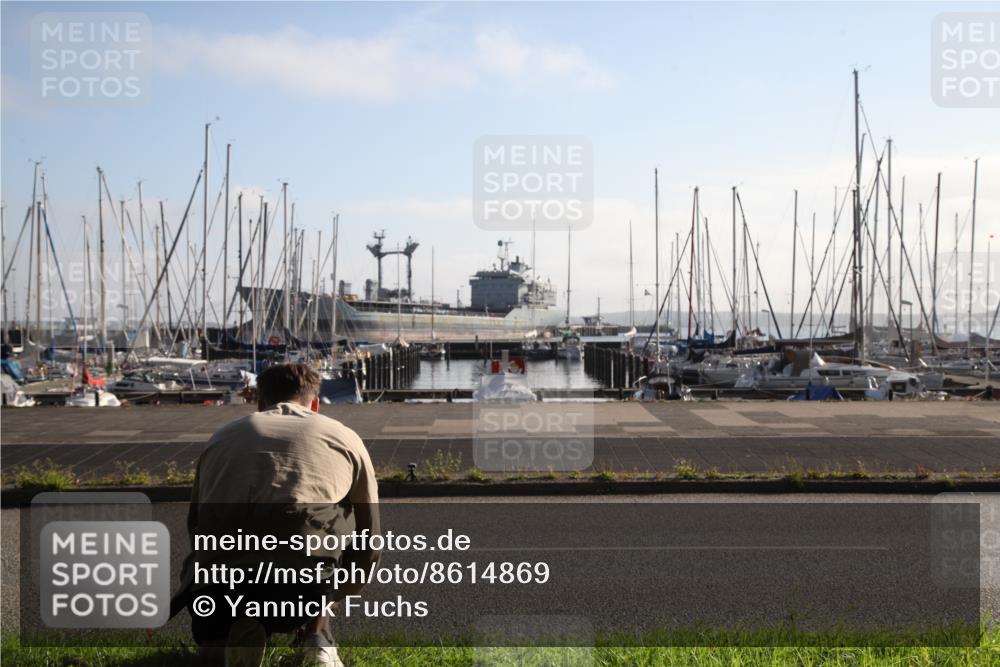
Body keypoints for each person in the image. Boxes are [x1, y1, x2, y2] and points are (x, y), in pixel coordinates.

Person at [178, 363, 380, 667]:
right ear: (315, 404)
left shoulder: (221, 438)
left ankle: (222, 639)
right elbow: (370, 537)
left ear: (259, 403)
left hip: (219, 587)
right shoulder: (344, 436)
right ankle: (318, 639)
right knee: (337, 517)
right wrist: (337, 593)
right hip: (303, 586)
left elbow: (196, 524)